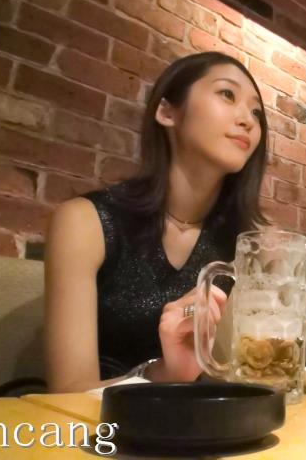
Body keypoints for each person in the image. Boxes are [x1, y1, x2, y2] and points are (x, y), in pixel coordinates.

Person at [44, 52, 268, 392]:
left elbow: (249, 376)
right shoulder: (86, 222)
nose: (248, 121)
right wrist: (164, 373)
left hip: (200, 420)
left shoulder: (245, 246)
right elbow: (68, 391)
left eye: (256, 113)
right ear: (167, 112)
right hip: (96, 421)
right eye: (227, 94)